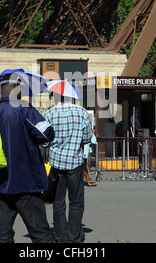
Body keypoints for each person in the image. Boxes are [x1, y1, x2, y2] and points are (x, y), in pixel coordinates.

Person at [0, 72, 55, 243]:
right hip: (26, 182)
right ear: (15, 87)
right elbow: (47, 133)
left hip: (0, 182)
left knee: (4, 235)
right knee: (40, 233)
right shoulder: (24, 108)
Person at [44, 93, 92, 243]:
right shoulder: (81, 112)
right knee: (76, 201)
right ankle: (75, 236)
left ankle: (60, 237)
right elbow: (87, 138)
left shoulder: (49, 113)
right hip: (74, 162)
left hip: (56, 162)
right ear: (71, 97)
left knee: (58, 202)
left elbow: (45, 141)